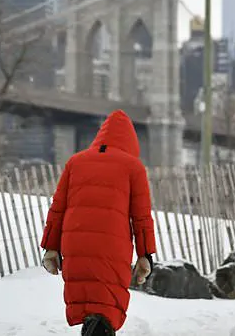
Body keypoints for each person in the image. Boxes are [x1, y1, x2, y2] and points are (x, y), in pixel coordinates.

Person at [39, 109, 156, 336]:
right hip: (112, 248)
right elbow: (141, 217)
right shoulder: (133, 167)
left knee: (88, 304)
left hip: (75, 244)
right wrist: (145, 254)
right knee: (106, 308)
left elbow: (58, 208)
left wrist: (51, 247)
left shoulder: (76, 162)